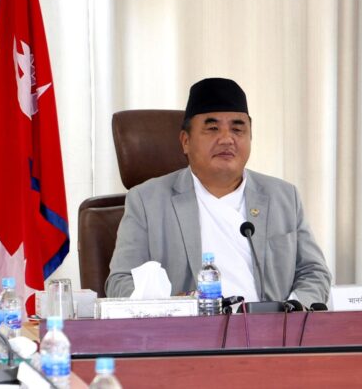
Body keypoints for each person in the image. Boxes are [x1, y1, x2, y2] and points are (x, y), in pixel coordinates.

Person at [105, 77, 331, 307]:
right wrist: (173, 307)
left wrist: (292, 311)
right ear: (185, 141)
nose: (226, 139)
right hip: (191, 328)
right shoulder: (147, 201)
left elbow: (314, 272)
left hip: (271, 326)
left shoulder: (284, 197)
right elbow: (120, 281)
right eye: (212, 128)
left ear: (250, 137)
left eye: (237, 129)